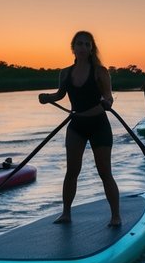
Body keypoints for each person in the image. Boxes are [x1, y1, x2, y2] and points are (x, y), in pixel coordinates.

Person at [38, 31, 122, 227]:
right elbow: (60, 95)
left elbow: (108, 97)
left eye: (87, 44)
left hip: (99, 125)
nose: (83, 48)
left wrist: (107, 103)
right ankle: (66, 213)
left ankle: (116, 216)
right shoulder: (65, 73)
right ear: (73, 48)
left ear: (91, 48)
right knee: (72, 171)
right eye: (79, 44)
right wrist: (47, 97)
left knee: (105, 172)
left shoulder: (100, 71)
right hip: (76, 125)